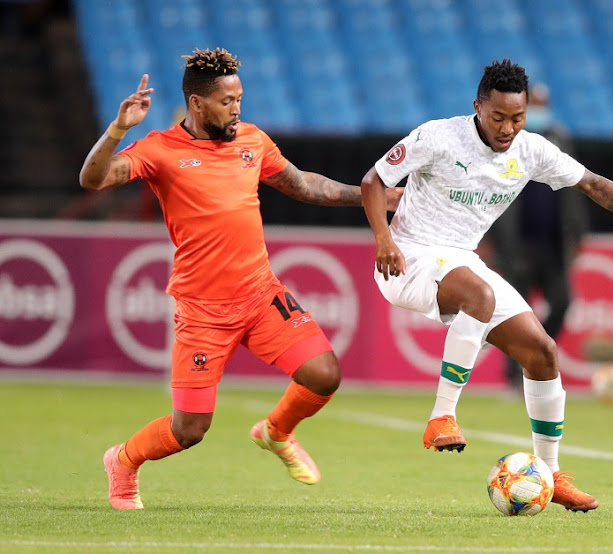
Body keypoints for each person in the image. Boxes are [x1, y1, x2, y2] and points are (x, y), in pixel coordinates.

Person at [360, 59, 613, 512]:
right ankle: (442, 415)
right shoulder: (438, 136)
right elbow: (373, 181)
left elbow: (596, 186)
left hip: (460, 261)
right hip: (408, 258)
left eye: (517, 118)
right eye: (498, 117)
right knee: (480, 294)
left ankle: (550, 474)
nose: (508, 128)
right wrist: (384, 240)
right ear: (478, 107)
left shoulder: (532, 149)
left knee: (542, 352)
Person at [79, 47, 401, 510]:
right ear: (197, 104)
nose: (237, 109)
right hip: (203, 309)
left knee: (323, 374)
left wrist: (376, 198)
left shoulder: (252, 140)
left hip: (259, 293)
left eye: (239, 98)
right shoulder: (160, 150)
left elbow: (304, 185)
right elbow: (93, 179)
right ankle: (124, 461)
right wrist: (117, 130)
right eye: (227, 101)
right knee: (189, 430)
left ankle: (276, 431)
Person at [483, 82, 588, 392]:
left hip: (553, 245)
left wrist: (577, 233)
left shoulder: (560, 138)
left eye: (544, 103)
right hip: (518, 245)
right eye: (535, 104)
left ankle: (536, 356)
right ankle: (515, 377)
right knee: (514, 313)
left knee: (562, 302)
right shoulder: (507, 141)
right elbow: (487, 189)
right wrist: (490, 236)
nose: (540, 110)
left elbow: (576, 188)